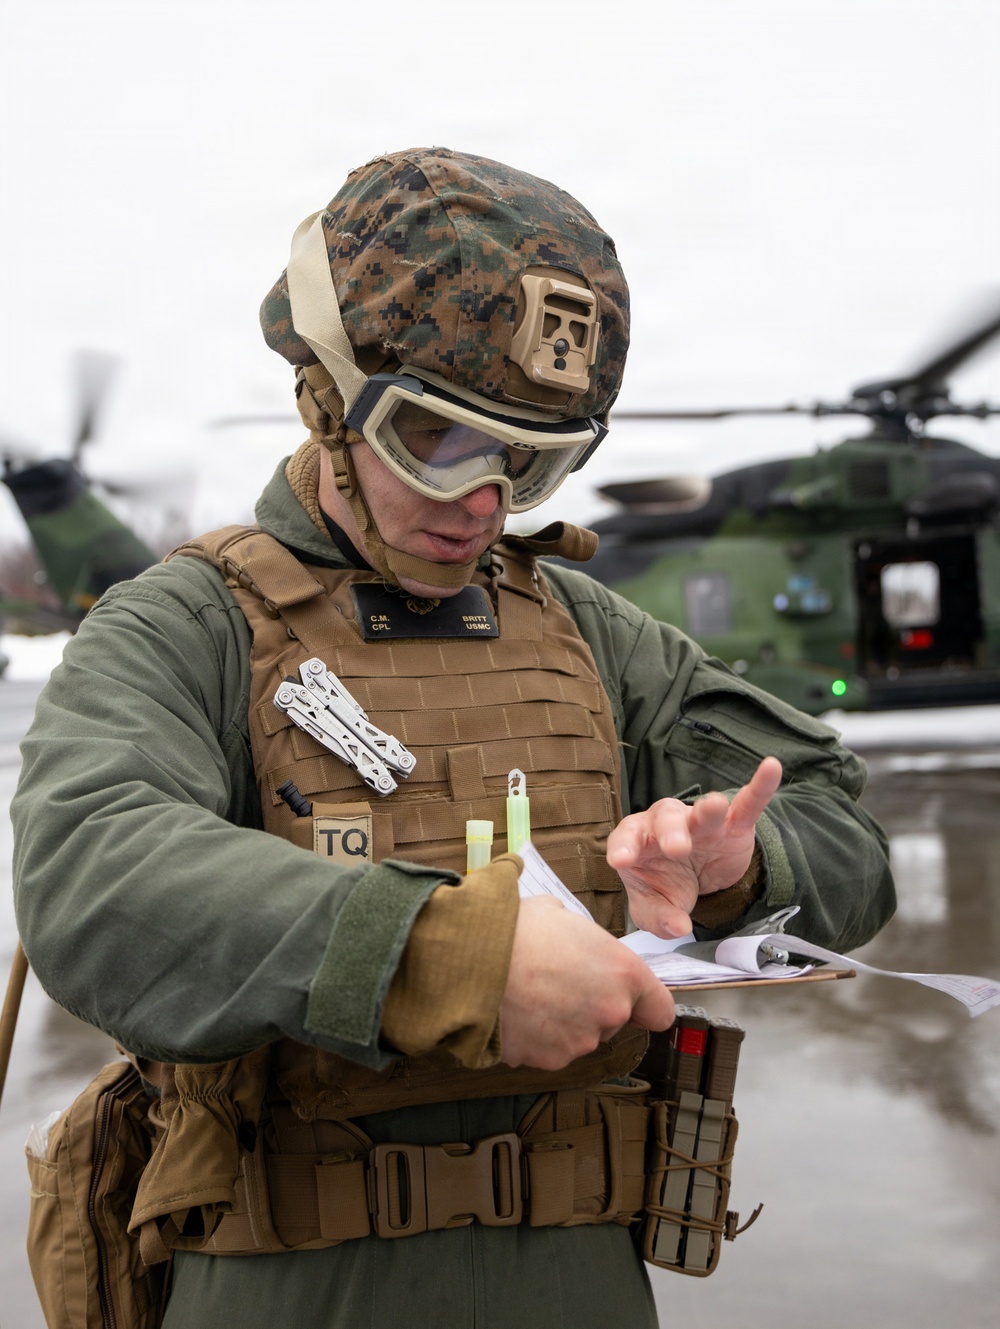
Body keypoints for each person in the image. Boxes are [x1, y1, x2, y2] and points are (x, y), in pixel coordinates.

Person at [11, 148, 895, 1329]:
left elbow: (843, 833)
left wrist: (740, 869)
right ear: (329, 402)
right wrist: (442, 957)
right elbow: (89, 877)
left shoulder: (591, 633)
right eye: (437, 440)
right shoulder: (187, 628)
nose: (483, 500)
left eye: (529, 460)